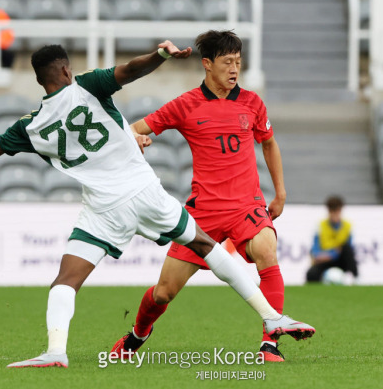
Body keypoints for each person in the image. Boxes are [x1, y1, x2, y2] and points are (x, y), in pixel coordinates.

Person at [0, 41, 315, 368]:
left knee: (66, 280)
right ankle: (272, 317)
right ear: (65, 71)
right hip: (142, 191)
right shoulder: (87, 86)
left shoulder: (29, 125)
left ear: (40, 79)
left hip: (101, 208)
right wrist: (160, 55)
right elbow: (130, 70)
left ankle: (56, 351)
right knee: (206, 247)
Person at [110, 30, 313, 363]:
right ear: (207, 64)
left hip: (247, 206)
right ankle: (135, 337)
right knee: (163, 293)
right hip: (203, 213)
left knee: (266, 248)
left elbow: (269, 143)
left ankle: (270, 344)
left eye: (238, 62)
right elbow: (134, 129)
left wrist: (280, 192)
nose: (235, 69)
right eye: (227, 62)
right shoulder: (187, 104)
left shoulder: (252, 103)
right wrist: (135, 139)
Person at [306, 195, 358, 284]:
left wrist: (334, 254)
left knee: (347, 249)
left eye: (337, 211)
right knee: (311, 274)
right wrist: (334, 253)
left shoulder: (347, 226)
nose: (335, 214)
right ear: (328, 211)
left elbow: (348, 250)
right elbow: (315, 251)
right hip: (325, 260)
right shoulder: (320, 226)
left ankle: (354, 279)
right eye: (332, 211)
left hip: (340, 261)